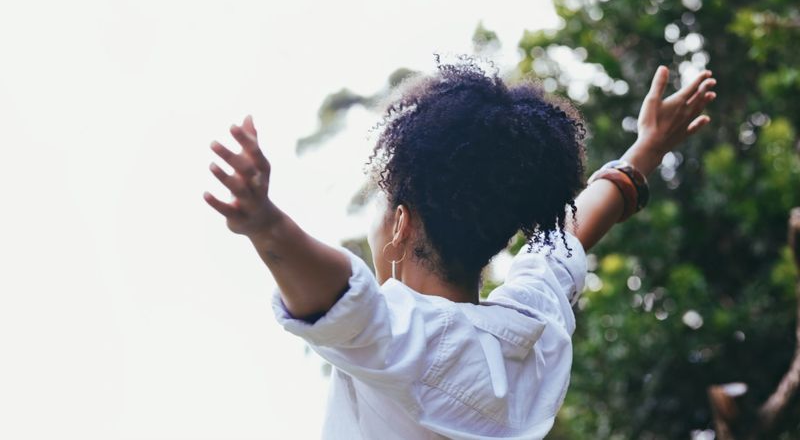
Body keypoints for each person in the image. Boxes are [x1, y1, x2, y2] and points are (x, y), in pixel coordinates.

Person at [203, 59, 716, 439]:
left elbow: (341, 296)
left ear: (402, 225)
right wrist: (646, 148)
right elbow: (571, 235)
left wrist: (268, 225)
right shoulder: (529, 330)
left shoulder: (404, 340)